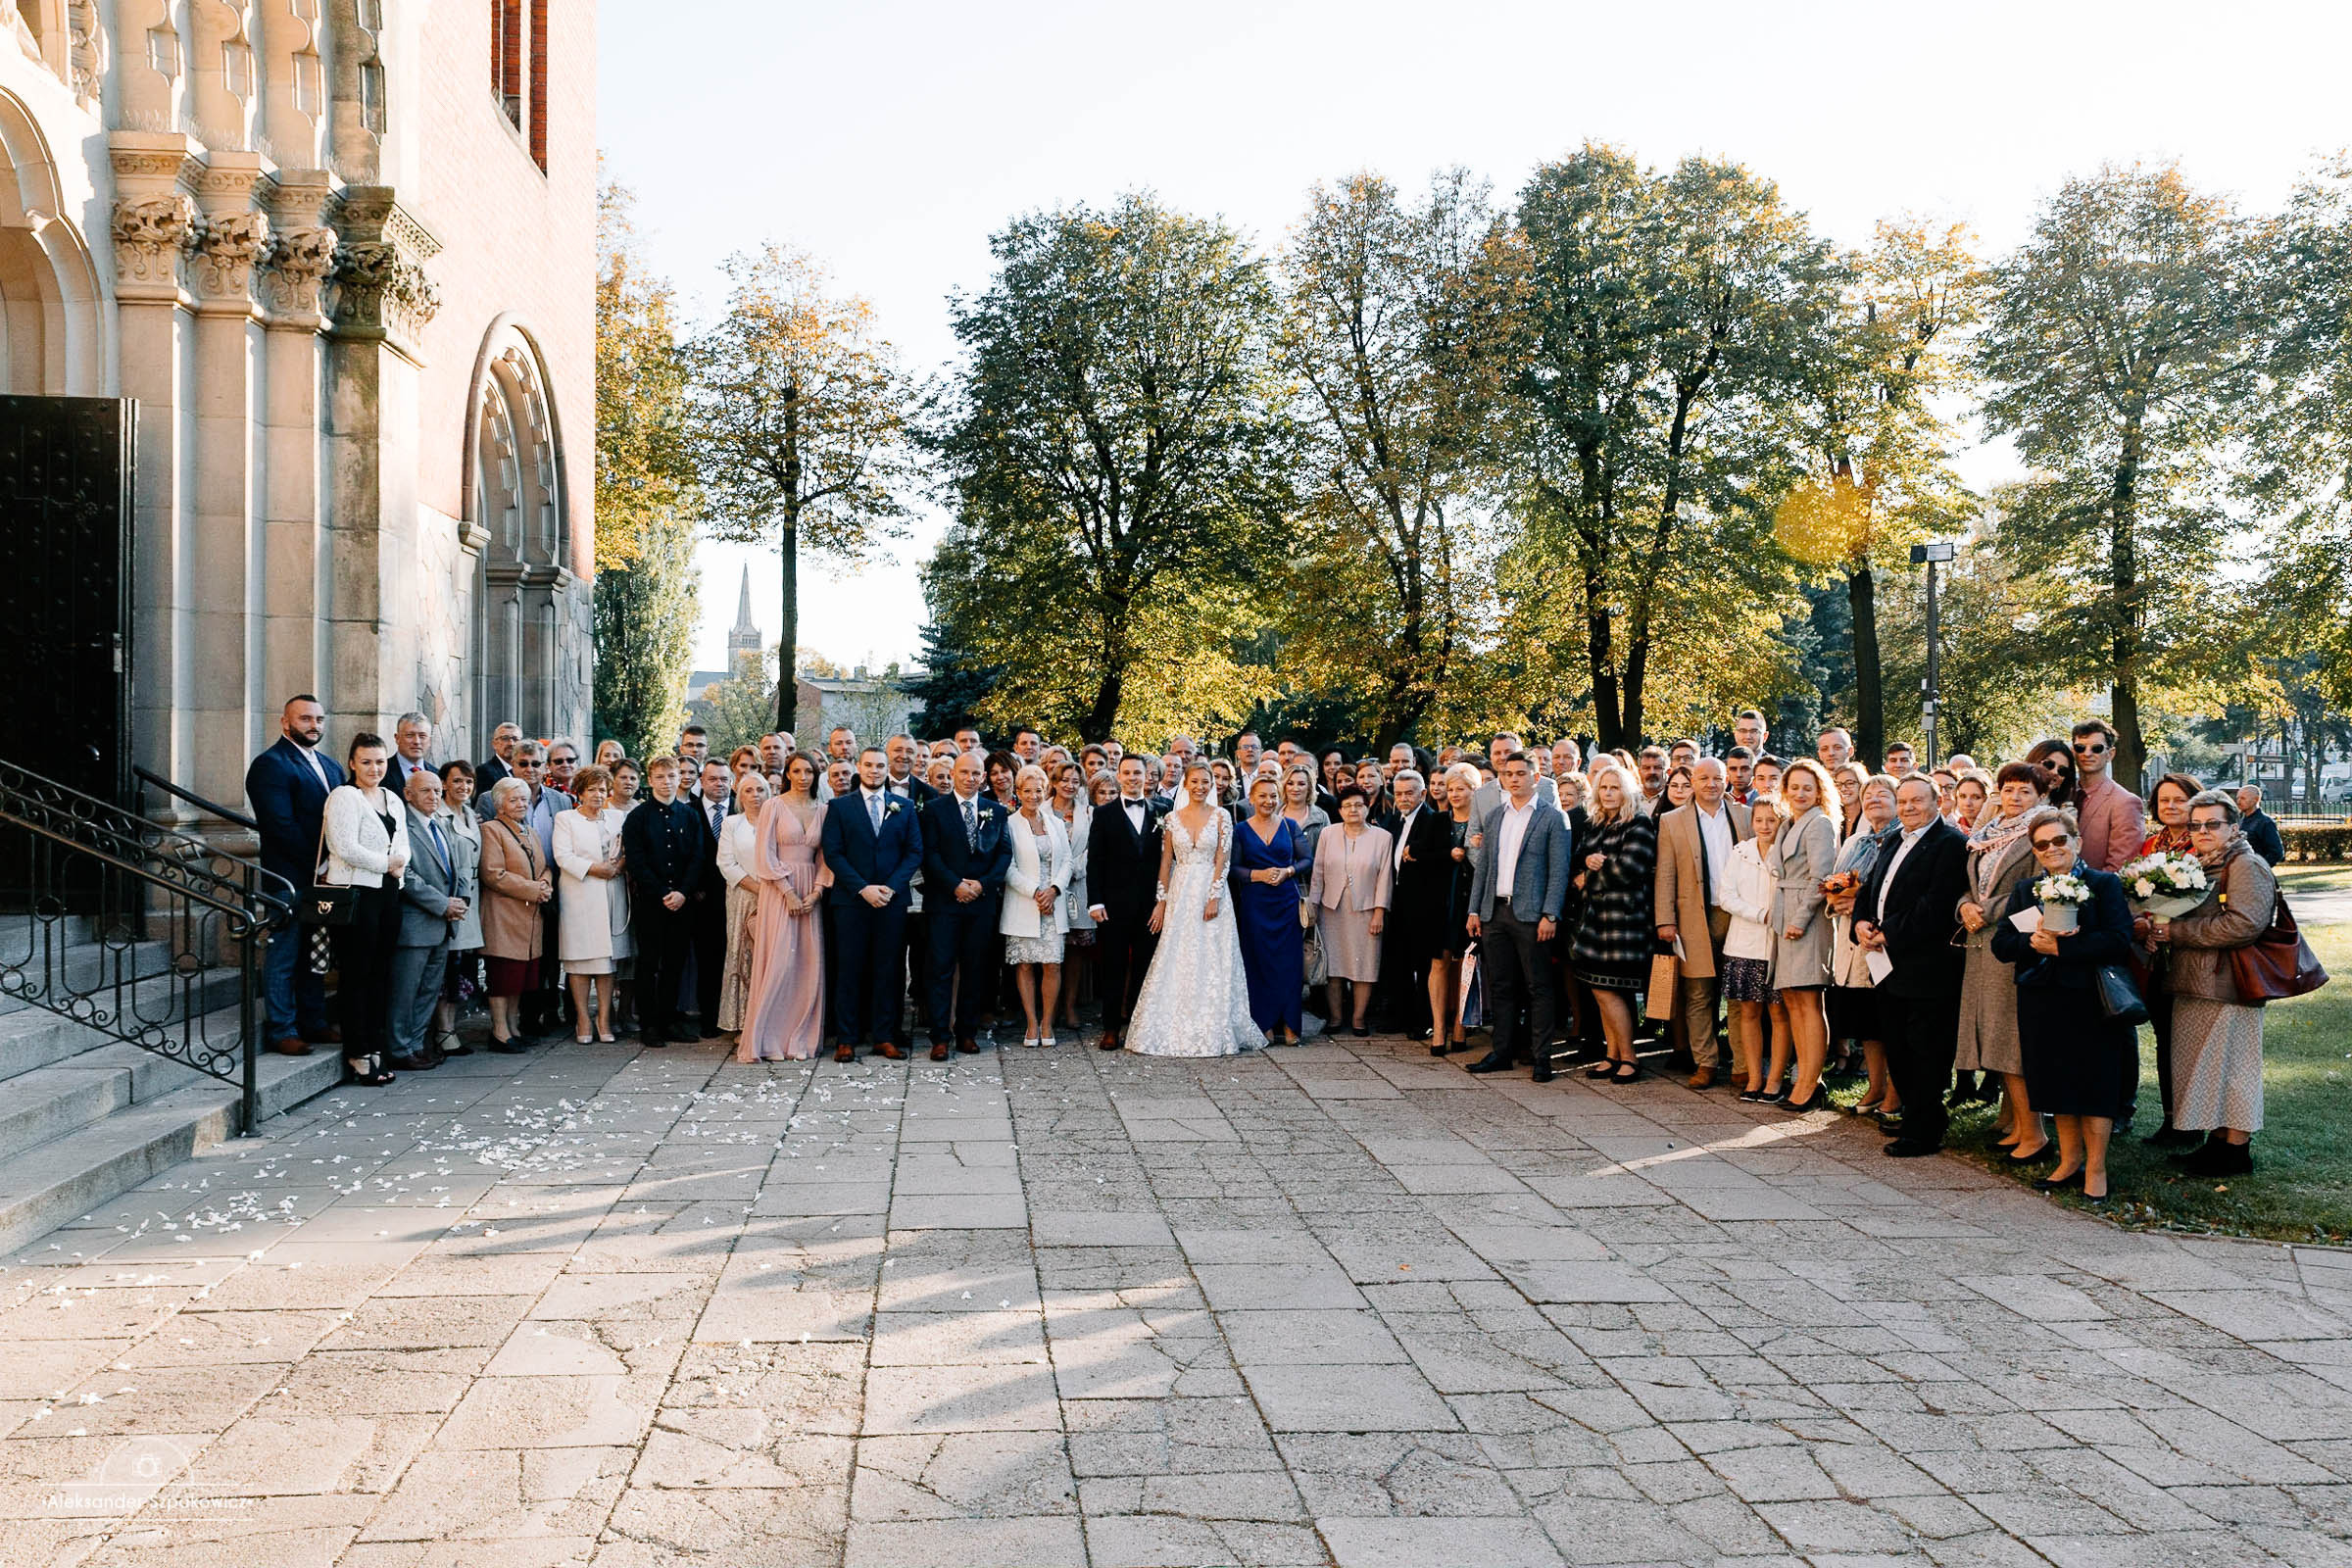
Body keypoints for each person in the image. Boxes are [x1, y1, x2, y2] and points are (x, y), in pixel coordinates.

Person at [1992, 806, 2135, 1200]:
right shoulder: (2025, 890)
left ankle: (2097, 1169)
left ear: (2077, 841)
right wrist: (2031, 942)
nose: (2051, 849)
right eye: (2042, 845)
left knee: (2094, 1086)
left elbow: (2120, 940)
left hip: (2090, 1000)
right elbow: (2001, 944)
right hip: (2042, 1001)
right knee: (2057, 1085)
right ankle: (2069, 1161)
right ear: (2034, 852)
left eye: (2059, 840)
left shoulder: (2104, 885)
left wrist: (2065, 948)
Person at [2152, 789, 2278, 1176]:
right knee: (2208, 1068)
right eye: (2196, 825)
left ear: (2233, 827)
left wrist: (2177, 932)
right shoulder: (2200, 862)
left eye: (2213, 824)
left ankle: (2237, 1151)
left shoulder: (2245, 864)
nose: (2203, 831)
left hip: (2231, 984)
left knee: (2235, 1068)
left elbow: (2246, 924)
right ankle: (2217, 1143)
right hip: (2196, 980)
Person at [1853, 774, 1972, 1154]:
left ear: (1939, 802)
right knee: (1898, 1044)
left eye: (1916, 801)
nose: (1907, 808)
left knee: (1926, 1049)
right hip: (1888, 964)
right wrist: (1860, 921)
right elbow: (1871, 887)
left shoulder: (1950, 844)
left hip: (1927, 966)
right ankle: (1914, 1116)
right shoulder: (1894, 838)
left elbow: (1935, 906)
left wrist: (1888, 933)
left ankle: (1926, 1129)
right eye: (1902, 801)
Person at [1125, 760, 1260, 1056]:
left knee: (1213, 954)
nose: (1200, 787)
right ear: (1186, 784)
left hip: (1212, 891)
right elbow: (1165, 863)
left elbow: (1222, 861)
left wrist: (1214, 897)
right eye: (1195, 781)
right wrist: (1161, 902)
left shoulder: (1222, 816)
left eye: (1205, 782)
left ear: (1212, 785)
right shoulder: (1172, 818)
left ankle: (1214, 1025)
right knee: (1179, 954)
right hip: (1181, 891)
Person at [1956, 761, 2050, 1150]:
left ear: (2040, 797)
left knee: (2011, 1038)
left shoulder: (2040, 833)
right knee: (1993, 1033)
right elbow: (1969, 885)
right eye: (2009, 789)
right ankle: (2011, 1118)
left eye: (2025, 791)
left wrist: (1988, 911)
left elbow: (2040, 891)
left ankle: (2034, 1133)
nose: (2015, 797)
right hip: (1980, 941)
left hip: (2014, 940)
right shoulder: (1987, 832)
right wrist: (1964, 906)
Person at [245, 695, 345, 1056]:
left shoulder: (331, 767)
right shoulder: (270, 764)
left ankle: (314, 1022)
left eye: (319, 719)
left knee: (316, 952)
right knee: (284, 954)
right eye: (305, 718)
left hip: (325, 879)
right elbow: (280, 825)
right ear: (285, 722)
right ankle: (282, 1029)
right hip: (287, 877)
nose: (314, 725)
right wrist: (320, 863)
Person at [1465, 751, 1572, 1080]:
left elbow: (1559, 872)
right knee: (1501, 986)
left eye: (1520, 773)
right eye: (1507, 773)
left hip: (1531, 915)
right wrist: (1474, 910)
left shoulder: (1554, 818)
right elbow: (1483, 867)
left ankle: (1542, 1058)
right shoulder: (1495, 816)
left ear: (1536, 778)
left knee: (1538, 987)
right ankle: (1501, 1052)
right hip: (1495, 912)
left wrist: (1550, 915)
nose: (1513, 779)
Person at [1652, 757, 1751, 1091]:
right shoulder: (1672, 820)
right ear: (1692, 781)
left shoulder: (1744, 816)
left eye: (1717, 778)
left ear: (1727, 781)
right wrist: (1665, 920)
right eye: (1704, 778)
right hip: (1694, 914)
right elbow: (1665, 872)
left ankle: (1742, 1065)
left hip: (1738, 915)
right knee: (1698, 993)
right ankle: (1705, 1062)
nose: (1711, 784)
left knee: (1739, 993)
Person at [321, 733, 411, 1084]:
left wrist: (399, 862)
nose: (375, 768)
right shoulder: (345, 796)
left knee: (382, 974)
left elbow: (403, 841)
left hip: (389, 893)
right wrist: (387, 862)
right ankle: (357, 1052)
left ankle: (376, 1046)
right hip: (358, 893)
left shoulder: (393, 798)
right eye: (367, 761)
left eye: (380, 761)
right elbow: (342, 846)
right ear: (352, 763)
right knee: (358, 975)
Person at [820, 748, 919, 1060]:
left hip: (891, 900)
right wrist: (862, 888)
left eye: (880, 766)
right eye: (868, 765)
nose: (874, 771)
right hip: (851, 900)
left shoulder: (903, 806)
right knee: (849, 968)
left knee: (888, 970)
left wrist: (890, 887)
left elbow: (914, 852)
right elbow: (833, 853)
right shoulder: (839, 807)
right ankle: (847, 1038)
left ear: (887, 769)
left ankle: (884, 1035)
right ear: (858, 769)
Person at [919, 750, 1013, 1059]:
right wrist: (955, 885)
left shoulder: (996, 811)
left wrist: (982, 884)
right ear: (954, 774)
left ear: (983, 777)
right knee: (941, 969)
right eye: (964, 773)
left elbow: (1004, 855)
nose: (970, 778)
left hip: (981, 903)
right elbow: (930, 854)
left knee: (976, 970)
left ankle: (968, 1033)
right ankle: (940, 1036)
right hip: (945, 902)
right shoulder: (934, 810)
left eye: (976, 774)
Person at [1568, 765, 1657, 1084]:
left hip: (1625, 920)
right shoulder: (1596, 822)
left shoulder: (1639, 823)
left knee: (1611, 990)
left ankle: (1629, 1058)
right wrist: (1587, 863)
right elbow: (1578, 857)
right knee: (1599, 988)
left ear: (1627, 790)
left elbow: (1628, 870)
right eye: (1603, 788)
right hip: (1594, 921)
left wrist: (1589, 876)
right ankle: (1612, 1054)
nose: (1607, 793)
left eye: (1614, 788)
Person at [739, 755, 830, 1062]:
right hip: (779, 891)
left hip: (810, 893)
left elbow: (824, 858)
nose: (803, 776)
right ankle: (766, 1039)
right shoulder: (773, 806)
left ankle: (800, 1037)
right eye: (796, 771)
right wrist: (788, 892)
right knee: (779, 962)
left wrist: (816, 892)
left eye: (808, 771)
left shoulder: (823, 810)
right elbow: (764, 854)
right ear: (787, 774)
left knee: (807, 964)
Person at [1763, 758, 1840, 1108]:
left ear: (1819, 791)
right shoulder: (1788, 823)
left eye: (1807, 787)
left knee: (1808, 1000)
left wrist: (1800, 918)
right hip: (1785, 916)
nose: (1800, 793)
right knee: (1792, 999)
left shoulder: (1820, 823)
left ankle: (1810, 1082)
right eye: (1794, 787)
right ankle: (1806, 1078)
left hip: (1805, 919)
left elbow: (1821, 877)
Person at [2135, 771, 2204, 1148]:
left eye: (2179, 799)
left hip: (2190, 952)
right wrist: (2147, 924)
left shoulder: (2202, 843)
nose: (2171, 806)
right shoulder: (2150, 846)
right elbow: (2140, 894)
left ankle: (2193, 1121)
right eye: (2164, 801)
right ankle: (2171, 1117)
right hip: (2156, 953)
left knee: (2188, 1041)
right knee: (2165, 1039)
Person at [1827, 775, 1899, 1116]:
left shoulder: (1901, 839)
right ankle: (1875, 1085)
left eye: (1884, 793)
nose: (1874, 799)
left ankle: (1896, 1093)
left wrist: (1860, 905)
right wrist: (1836, 900)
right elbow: (1834, 883)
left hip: (1884, 940)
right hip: (1852, 940)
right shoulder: (1856, 841)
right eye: (1869, 794)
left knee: (1889, 1021)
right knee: (1868, 1023)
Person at [622, 756, 703, 1049]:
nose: (667, 781)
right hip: (651, 902)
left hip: (683, 902)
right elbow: (636, 860)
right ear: (650, 779)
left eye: (672, 776)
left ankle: (669, 1021)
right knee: (649, 964)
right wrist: (661, 892)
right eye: (661, 776)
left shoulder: (690, 815)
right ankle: (649, 1024)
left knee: (675, 963)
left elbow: (697, 857)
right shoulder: (638, 817)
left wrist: (682, 891)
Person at [1086, 755, 1163, 1053]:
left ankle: (1138, 1025)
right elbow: (1095, 861)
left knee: (1146, 966)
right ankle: (1110, 1028)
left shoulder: (1162, 812)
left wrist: (1163, 901)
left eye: (1138, 773)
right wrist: (1095, 901)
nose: (1132, 777)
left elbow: (1167, 861)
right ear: (1118, 776)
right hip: (1114, 905)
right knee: (1114, 967)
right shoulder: (1104, 814)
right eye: (1127, 773)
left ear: (1147, 777)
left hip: (1150, 906)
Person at [389, 767, 464, 1070]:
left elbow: (452, 869)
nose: (434, 796)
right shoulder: (402, 826)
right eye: (425, 791)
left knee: (429, 990)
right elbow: (405, 874)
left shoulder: (441, 823)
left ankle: (417, 1044)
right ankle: (399, 1048)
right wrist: (442, 903)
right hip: (416, 924)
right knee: (406, 992)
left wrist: (459, 902)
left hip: (443, 925)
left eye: (437, 790)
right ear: (408, 795)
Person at [553, 764, 631, 1044]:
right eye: (592, 790)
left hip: (612, 892)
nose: (598, 795)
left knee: (607, 962)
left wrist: (618, 866)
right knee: (581, 960)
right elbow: (563, 856)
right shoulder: (566, 819)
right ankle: (583, 1019)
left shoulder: (617, 816)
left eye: (602, 789)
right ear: (580, 792)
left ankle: (604, 1019)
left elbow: (627, 848)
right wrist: (596, 869)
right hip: (581, 893)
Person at [1230, 773, 1310, 1044]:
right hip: (1255, 904)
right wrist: (1258, 875)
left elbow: (1306, 859)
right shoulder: (1240, 829)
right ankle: (1263, 1023)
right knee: (1259, 963)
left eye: (1273, 795)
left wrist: (1288, 871)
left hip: (1285, 903)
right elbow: (1233, 868)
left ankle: (1290, 1025)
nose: (1268, 800)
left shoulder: (1289, 826)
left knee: (1288, 964)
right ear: (1251, 798)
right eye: (1262, 796)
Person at [1308, 786, 1394, 1037]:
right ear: (1340, 810)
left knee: (1363, 966)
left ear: (1367, 808)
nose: (1353, 810)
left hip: (1366, 910)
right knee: (1333, 966)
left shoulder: (1382, 837)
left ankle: (1358, 1018)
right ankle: (1335, 1018)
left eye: (1358, 805)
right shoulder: (1328, 834)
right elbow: (1319, 872)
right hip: (1331, 908)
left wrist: (1379, 912)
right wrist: (1313, 905)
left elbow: (1385, 877)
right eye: (1347, 806)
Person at [1001, 763, 1073, 1048]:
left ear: (1046, 791)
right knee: (1026, 965)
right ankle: (1031, 1023)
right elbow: (1007, 865)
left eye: (1038, 790)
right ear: (1018, 792)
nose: (1033, 795)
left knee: (1053, 964)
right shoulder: (1009, 824)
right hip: (1024, 900)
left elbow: (1067, 860)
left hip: (1052, 904)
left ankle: (1047, 1023)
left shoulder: (1055, 822)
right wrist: (1035, 892)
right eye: (1027, 790)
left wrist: (1054, 890)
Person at [476, 776, 550, 1054]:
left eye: (523, 799)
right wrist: (534, 890)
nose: (521, 804)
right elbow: (493, 874)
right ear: (499, 805)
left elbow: (544, 865)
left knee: (520, 978)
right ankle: (499, 1030)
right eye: (513, 800)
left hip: (530, 917)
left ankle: (513, 1026)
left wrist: (546, 883)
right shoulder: (492, 830)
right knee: (502, 977)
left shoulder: (529, 831)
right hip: (504, 916)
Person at [1719, 798, 1786, 1101]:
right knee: (1748, 1011)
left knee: (1778, 1013)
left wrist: (1777, 917)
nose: (1765, 826)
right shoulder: (1740, 853)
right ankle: (1753, 1077)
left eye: (1771, 820)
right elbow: (1726, 896)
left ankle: (1774, 1080)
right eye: (1759, 820)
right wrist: (1760, 914)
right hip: (1744, 942)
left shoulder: (1786, 853)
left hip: (1776, 944)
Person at [1427, 763, 1483, 1055]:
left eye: (1461, 788)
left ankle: (1461, 1025)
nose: (1454, 794)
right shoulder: (1437, 821)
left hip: (1470, 902)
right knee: (1439, 962)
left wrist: (1474, 849)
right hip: (1441, 901)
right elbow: (1419, 855)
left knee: (1466, 963)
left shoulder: (1483, 823)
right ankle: (1438, 1028)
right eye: (1450, 789)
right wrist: (1448, 855)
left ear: (1474, 790)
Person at [714, 769, 773, 1038]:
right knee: (742, 955)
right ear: (739, 793)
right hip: (742, 895)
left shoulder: (776, 820)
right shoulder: (732, 824)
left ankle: (769, 1021)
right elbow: (726, 862)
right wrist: (757, 888)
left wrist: (771, 890)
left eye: (760, 790)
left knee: (770, 957)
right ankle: (742, 1022)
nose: (755, 796)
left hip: (775, 896)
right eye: (749, 790)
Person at [433, 760, 483, 1057]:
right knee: (446, 967)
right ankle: (443, 1030)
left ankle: (451, 1026)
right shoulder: (438, 815)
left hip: (473, 897)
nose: (463, 787)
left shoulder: (470, 815)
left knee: (462, 967)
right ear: (444, 784)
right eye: (457, 782)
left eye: (468, 782)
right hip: (452, 896)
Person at [686, 760, 733, 1037]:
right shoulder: (688, 812)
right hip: (702, 900)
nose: (719, 784)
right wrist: (694, 888)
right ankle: (710, 1017)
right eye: (713, 779)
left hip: (740, 894)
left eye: (724, 779)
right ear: (701, 781)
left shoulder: (744, 808)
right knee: (708, 960)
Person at [1051, 761, 1095, 1038]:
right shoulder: (1041, 810)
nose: (1069, 785)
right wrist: (1056, 877)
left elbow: (1092, 847)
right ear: (1054, 782)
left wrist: (1074, 869)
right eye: (1064, 780)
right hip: (1050, 888)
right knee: (1051, 950)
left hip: (1079, 886)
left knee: (1076, 951)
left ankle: (1069, 1006)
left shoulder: (1086, 813)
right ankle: (1051, 1007)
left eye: (1075, 781)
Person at [2069, 719, 2145, 871]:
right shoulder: (2064, 795)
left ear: (2110, 754)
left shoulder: (2125, 803)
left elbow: (2120, 865)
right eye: (2080, 748)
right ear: (2073, 752)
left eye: (2096, 748)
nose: (2087, 754)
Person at [385, 710, 437, 798]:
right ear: (397, 738)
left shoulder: (438, 775)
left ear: (430, 740)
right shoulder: (382, 772)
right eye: (410, 735)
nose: (416, 741)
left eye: (422, 736)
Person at [2236, 783, 2285, 866]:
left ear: (2256, 799)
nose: (2238, 801)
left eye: (2243, 798)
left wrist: (2259, 867)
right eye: (2238, 798)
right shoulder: (2239, 821)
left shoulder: (2265, 822)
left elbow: (2277, 853)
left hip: (2256, 874)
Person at [2024, 737, 2077, 809]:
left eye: (2062, 770)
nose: (2055, 772)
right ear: (2033, 761)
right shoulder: (2006, 797)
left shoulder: (2066, 812)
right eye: (2049, 764)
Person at [474, 721, 522, 797]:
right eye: (505, 738)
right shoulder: (484, 772)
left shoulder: (525, 769)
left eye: (515, 739)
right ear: (494, 744)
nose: (511, 743)